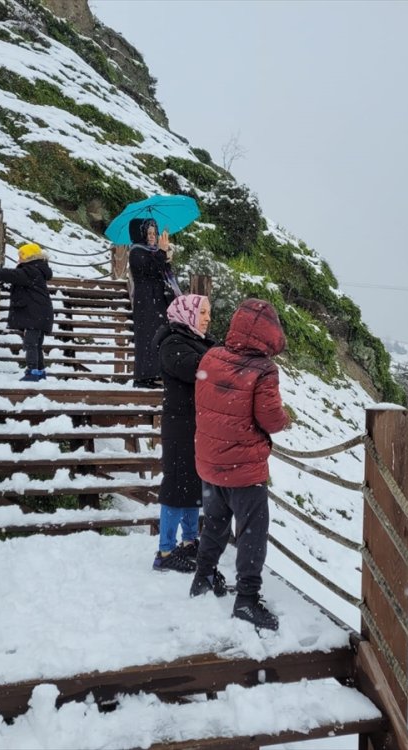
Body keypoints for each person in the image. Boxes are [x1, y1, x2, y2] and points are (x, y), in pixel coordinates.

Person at [189, 299, 290, 631]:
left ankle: (203, 577)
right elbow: (271, 419)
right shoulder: (263, 371)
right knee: (251, 534)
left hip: (210, 461)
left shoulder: (211, 356)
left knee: (215, 524)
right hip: (244, 469)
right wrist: (286, 419)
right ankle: (246, 600)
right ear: (268, 334)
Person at [151, 294, 215, 573]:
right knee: (177, 483)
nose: (207, 318)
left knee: (193, 483)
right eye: (202, 312)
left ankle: (189, 541)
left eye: (208, 312)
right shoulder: (173, 343)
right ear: (187, 313)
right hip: (180, 425)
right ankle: (165, 551)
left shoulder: (197, 342)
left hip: (196, 424)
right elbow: (197, 370)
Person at [0, 242, 53, 382]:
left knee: (31, 343)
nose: (18, 259)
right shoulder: (35, 271)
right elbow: (17, 287)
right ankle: (39, 371)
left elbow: (11, 275)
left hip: (36, 313)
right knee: (35, 344)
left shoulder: (32, 270)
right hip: (39, 312)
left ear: (29, 257)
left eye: (21, 256)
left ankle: (32, 371)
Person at [128, 217, 180, 388]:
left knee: (157, 336)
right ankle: (142, 376)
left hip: (158, 299)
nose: (152, 236)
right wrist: (161, 253)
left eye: (154, 233)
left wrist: (165, 257)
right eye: (148, 233)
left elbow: (161, 271)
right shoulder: (136, 251)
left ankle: (153, 374)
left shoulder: (153, 251)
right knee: (146, 337)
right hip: (146, 300)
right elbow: (148, 270)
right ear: (142, 234)